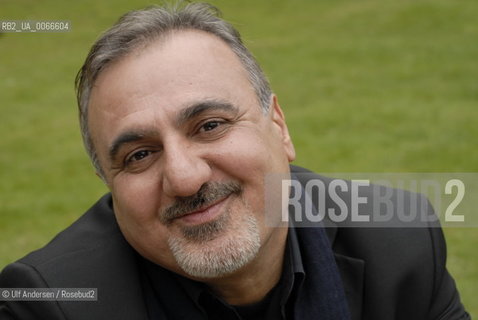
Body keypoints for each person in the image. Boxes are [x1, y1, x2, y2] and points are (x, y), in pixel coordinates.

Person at [0, 2, 470, 319]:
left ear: (279, 127)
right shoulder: (49, 303)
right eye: (140, 155)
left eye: (210, 125)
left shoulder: (399, 243)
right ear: (107, 181)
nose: (185, 178)